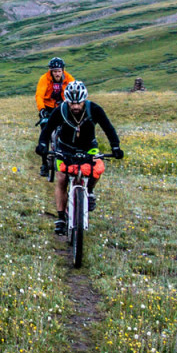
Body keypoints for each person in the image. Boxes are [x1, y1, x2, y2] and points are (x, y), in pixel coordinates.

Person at [35, 80, 124, 235]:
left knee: (96, 168)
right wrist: (42, 144)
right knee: (62, 177)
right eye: (72, 103)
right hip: (64, 147)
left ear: (85, 100)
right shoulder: (60, 110)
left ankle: (89, 191)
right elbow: (47, 130)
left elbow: (108, 128)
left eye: (79, 103)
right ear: (67, 101)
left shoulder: (94, 109)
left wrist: (115, 146)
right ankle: (61, 218)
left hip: (89, 146)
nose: (75, 106)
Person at [34, 57, 74, 176]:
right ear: (51, 71)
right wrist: (42, 110)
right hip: (48, 107)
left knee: (69, 127)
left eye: (59, 71)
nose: (57, 73)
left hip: (62, 105)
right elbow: (39, 95)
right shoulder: (44, 79)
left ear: (63, 70)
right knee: (45, 131)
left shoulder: (69, 78)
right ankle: (44, 164)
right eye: (54, 71)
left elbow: (73, 92)